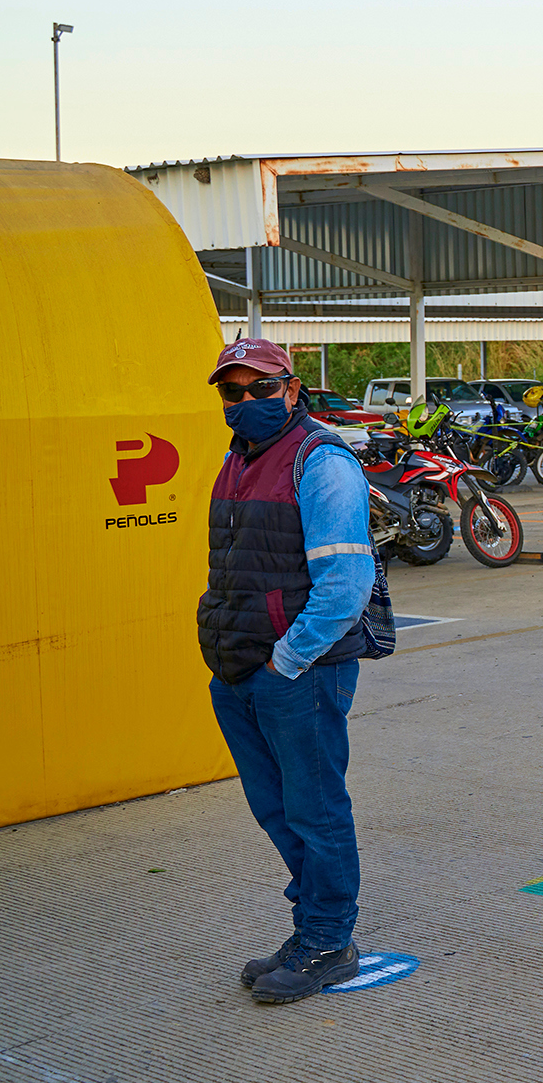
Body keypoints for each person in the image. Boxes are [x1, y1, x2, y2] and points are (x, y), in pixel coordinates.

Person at [200, 339, 378, 1003]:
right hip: (239, 667)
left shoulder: (320, 461)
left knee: (316, 808)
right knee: (276, 808)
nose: (247, 402)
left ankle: (330, 940)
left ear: (293, 389)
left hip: (296, 671)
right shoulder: (236, 460)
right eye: (233, 392)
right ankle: (310, 926)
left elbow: (345, 582)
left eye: (262, 388)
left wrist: (285, 660)